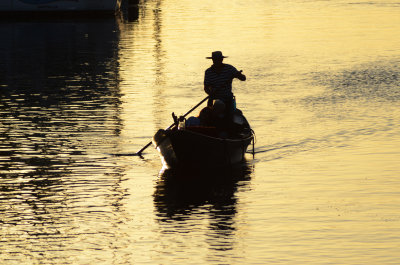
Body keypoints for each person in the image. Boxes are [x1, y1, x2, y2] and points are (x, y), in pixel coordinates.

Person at [204, 51, 246, 116]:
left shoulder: (229, 69)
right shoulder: (208, 72)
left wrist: (239, 75)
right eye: (215, 59)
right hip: (214, 100)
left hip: (227, 99)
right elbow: (206, 87)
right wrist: (210, 93)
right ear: (213, 60)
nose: (217, 61)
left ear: (222, 59)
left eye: (219, 59)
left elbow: (243, 78)